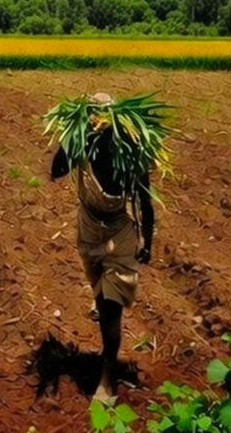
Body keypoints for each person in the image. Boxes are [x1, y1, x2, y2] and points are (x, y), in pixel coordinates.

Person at [49, 93, 155, 405]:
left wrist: (147, 240)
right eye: (93, 118)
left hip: (119, 232)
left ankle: (107, 378)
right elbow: (55, 172)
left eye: (104, 118)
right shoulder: (82, 144)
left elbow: (145, 201)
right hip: (89, 228)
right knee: (99, 294)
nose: (100, 123)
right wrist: (72, 137)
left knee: (110, 307)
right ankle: (106, 354)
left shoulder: (130, 150)